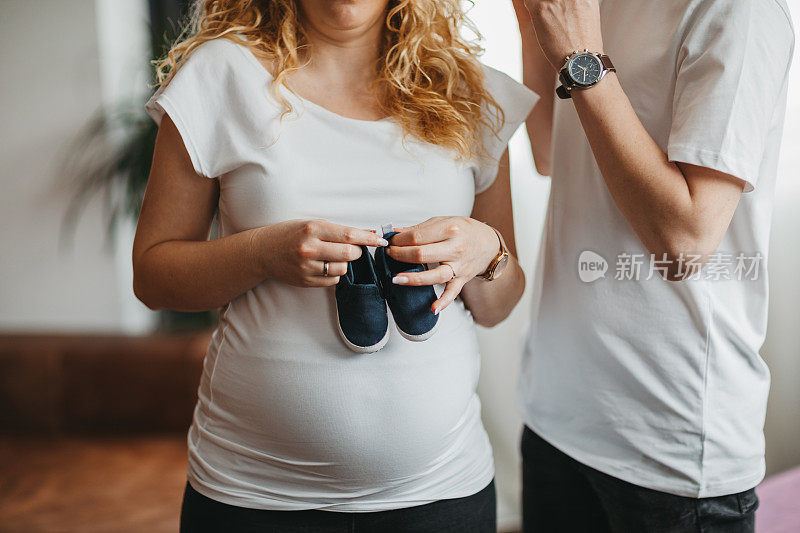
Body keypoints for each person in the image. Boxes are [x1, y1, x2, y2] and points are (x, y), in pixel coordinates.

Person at [132, 0, 537, 531]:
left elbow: (497, 307)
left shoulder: (468, 91)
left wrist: (490, 252)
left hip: (443, 495)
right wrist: (262, 253)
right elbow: (154, 276)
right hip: (255, 498)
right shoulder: (220, 76)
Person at [513, 0, 794, 531]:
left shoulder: (741, 12)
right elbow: (550, 151)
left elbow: (685, 241)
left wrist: (580, 54)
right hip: (556, 411)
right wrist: (534, 26)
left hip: (670, 445)